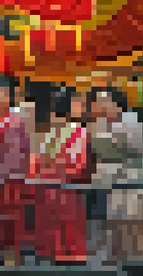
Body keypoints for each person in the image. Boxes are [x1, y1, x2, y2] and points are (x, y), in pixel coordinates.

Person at [31, 88, 92, 265]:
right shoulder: (51, 134)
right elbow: (39, 159)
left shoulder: (78, 132)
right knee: (53, 220)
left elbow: (78, 161)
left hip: (66, 185)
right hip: (51, 186)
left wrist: (54, 168)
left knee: (69, 220)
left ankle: (71, 254)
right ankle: (56, 252)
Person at [89, 86, 143, 264]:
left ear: (116, 102)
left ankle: (138, 260)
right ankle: (117, 258)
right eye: (100, 101)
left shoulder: (131, 120)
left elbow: (135, 150)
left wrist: (111, 141)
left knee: (132, 222)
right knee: (114, 220)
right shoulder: (101, 124)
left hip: (133, 180)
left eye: (105, 100)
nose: (102, 105)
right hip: (114, 181)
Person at [0, 76, 32, 261]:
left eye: (3, 94)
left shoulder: (18, 121)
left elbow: (25, 150)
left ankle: (13, 254)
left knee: (13, 217)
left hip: (12, 179)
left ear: (10, 97)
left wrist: (19, 173)